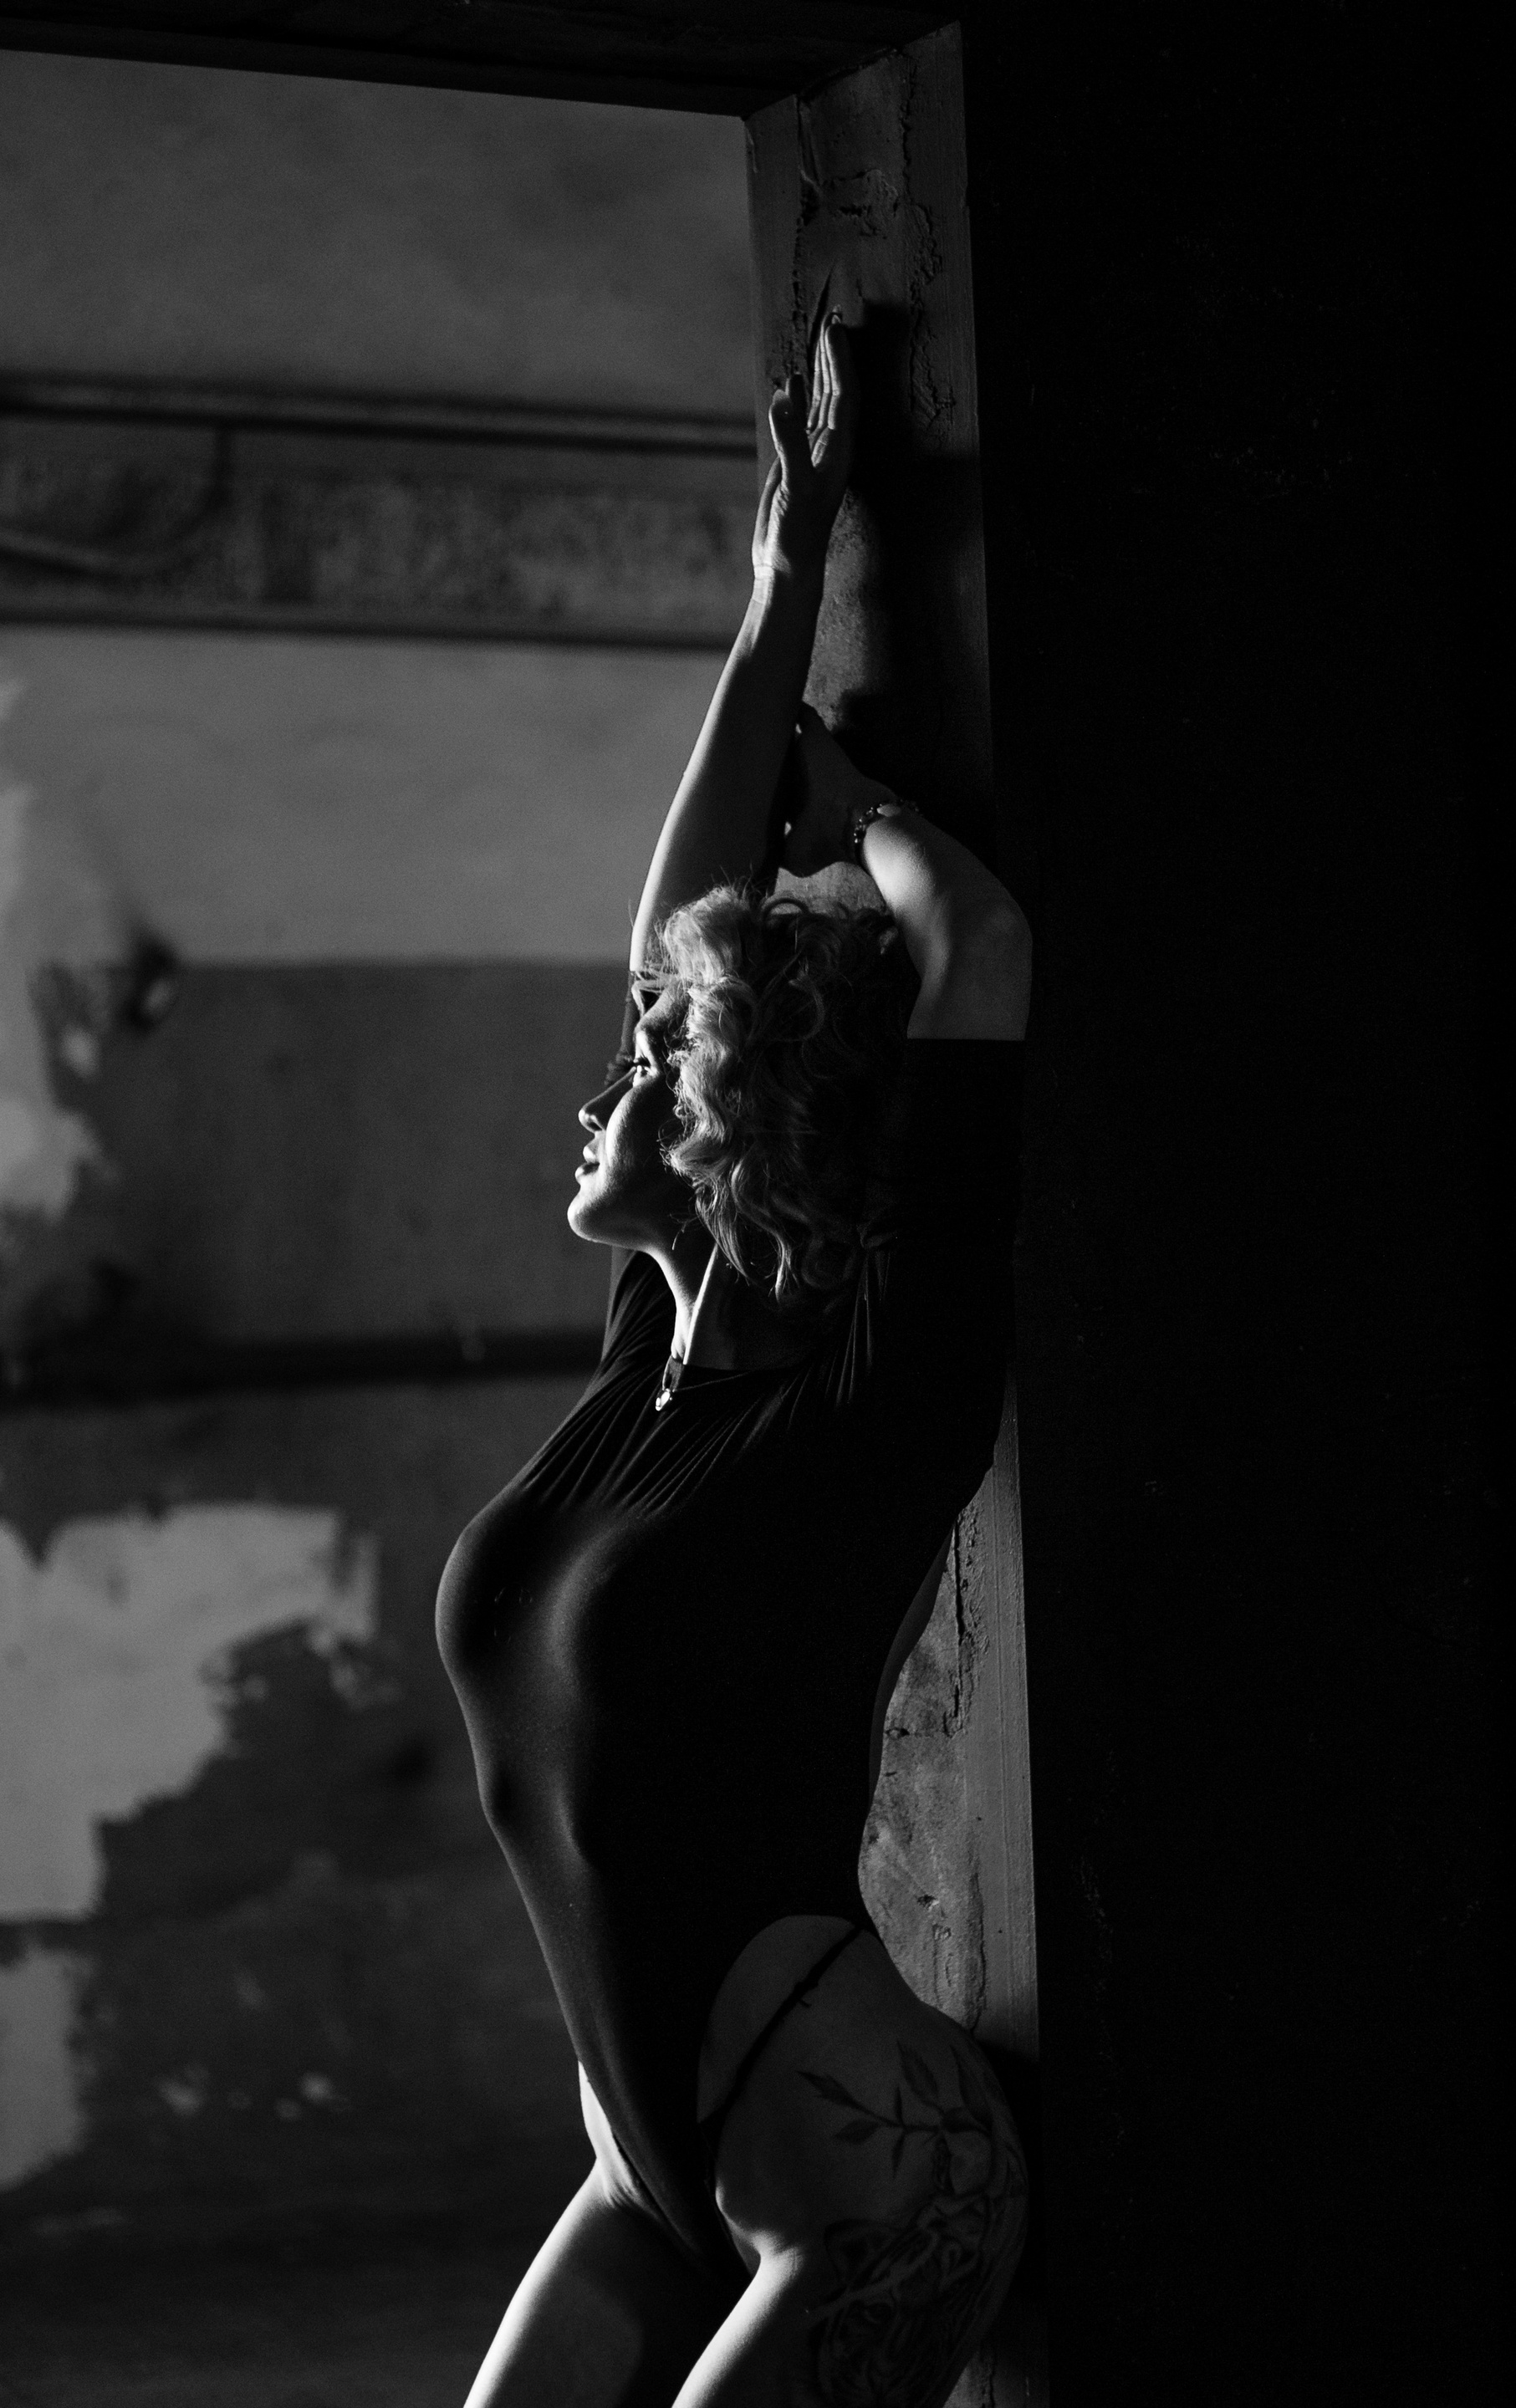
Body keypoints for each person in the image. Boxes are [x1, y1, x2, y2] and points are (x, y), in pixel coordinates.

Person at [436, 316, 1033, 2407]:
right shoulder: (650, 1375)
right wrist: (777, 599)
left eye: (647, 1067)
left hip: (865, 2179)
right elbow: (669, 942)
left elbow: (980, 946)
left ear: (725, 1125)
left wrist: (845, 803)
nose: (597, 1084)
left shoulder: (862, 1406)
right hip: (644, 2163)